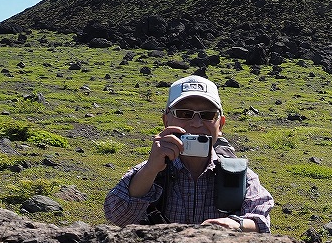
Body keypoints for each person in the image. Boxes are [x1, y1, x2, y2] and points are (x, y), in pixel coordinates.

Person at [105, 75, 274, 232]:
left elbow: (261, 221)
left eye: (208, 115)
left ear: (220, 125)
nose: (196, 123)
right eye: (185, 114)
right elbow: (118, 216)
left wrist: (235, 224)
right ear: (166, 121)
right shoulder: (151, 170)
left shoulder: (238, 175)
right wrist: (150, 169)